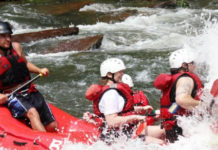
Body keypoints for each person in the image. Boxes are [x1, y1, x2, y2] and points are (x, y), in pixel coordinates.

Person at [85, 57, 165, 144]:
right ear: (109, 75)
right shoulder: (110, 94)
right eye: (119, 72)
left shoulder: (114, 91)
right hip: (115, 137)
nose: (122, 74)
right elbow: (111, 121)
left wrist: (142, 109)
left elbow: (122, 110)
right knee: (161, 143)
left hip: (127, 131)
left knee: (164, 131)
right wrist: (136, 117)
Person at [0, 21, 57, 132]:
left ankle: (33, 128)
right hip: (11, 95)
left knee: (52, 126)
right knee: (32, 113)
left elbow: (25, 64)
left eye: (9, 36)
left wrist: (39, 70)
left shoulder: (16, 47)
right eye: (3, 36)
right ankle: (42, 144)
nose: (8, 39)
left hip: (29, 89)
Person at [153, 48, 203, 142]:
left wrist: (165, 113)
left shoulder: (173, 80)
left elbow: (175, 106)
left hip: (173, 130)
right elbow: (181, 99)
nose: (195, 66)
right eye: (192, 63)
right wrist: (204, 104)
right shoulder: (185, 79)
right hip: (183, 130)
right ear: (184, 65)